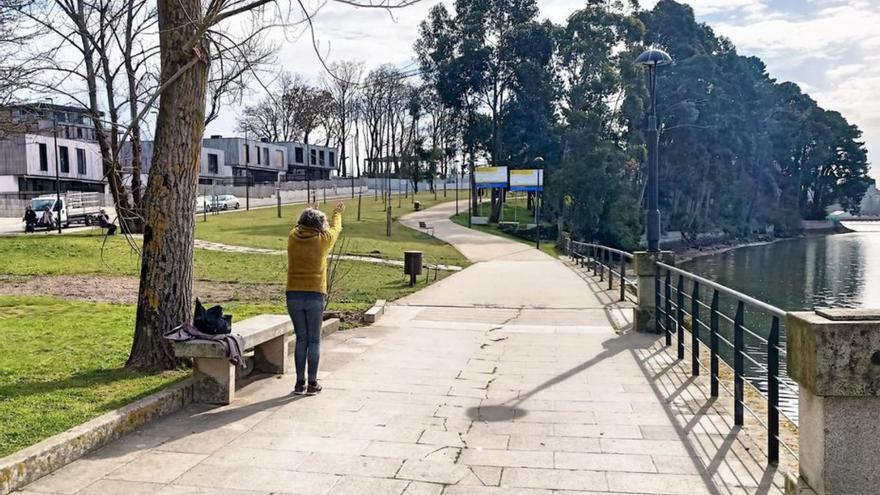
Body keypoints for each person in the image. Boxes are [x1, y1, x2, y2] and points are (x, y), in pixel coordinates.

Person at [286, 201, 344, 395]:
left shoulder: (293, 237)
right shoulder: (324, 240)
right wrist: (336, 212)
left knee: (301, 339)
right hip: (315, 294)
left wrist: (311, 210)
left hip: (293, 293)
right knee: (314, 340)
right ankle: (312, 383)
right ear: (319, 225)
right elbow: (336, 228)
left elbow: (296, 227)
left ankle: (299, 383)